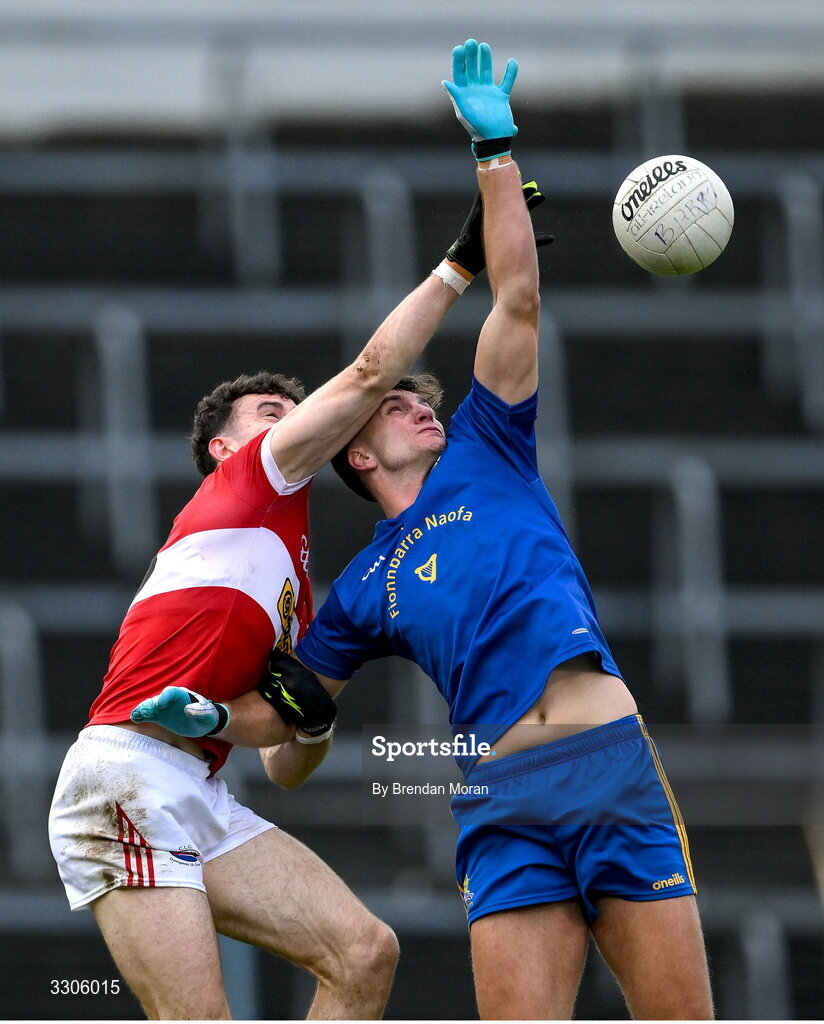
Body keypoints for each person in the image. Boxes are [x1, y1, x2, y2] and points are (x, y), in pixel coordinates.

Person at [133, 40, 714, 1020]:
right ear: (356, 455)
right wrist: (218, 718)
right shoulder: (363, 584)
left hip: (607, 763)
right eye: (397, 402)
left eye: (418, 398)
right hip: (501, 803)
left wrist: (492, 147)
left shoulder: (491, 448)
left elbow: (516, 297)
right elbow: (293, 714)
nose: (417, 405)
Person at [47, 143, 479, 1016]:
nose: (294, 420)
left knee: (364, 954)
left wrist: (307, 722)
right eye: (270, 415)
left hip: (198, 788)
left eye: (295, 410)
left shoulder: (291, 574)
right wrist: (462, 266)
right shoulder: (244, 484)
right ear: (224, 447)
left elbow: (282, 761)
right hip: (125, 778)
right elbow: (365, 375)